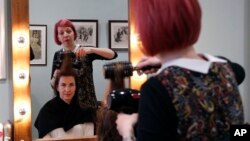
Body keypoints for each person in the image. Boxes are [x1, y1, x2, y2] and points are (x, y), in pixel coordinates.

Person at [116, 0, 244, 141]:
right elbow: (238, 71)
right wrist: (165, 63)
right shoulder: (226, 71)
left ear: (146, 28)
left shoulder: (156, 89)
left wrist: (127, 131)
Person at [51, 18, 118, 112]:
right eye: (61, 33)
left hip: (87, 105)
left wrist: (92, 49)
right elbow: (53, 85)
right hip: (65, 106)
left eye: (68, 31)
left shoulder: (85, 51)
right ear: (58, 37)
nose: (65, 35)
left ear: (74, 33)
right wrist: (55, 75)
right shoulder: (58, 55)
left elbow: (113, 54)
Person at [35, 56, 95, 139]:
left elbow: (89, 139)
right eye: (63, 85)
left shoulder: (86, 111)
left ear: (76, 87)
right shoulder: (47, 112)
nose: (67, 89)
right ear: (57, 87)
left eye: (71, 85)